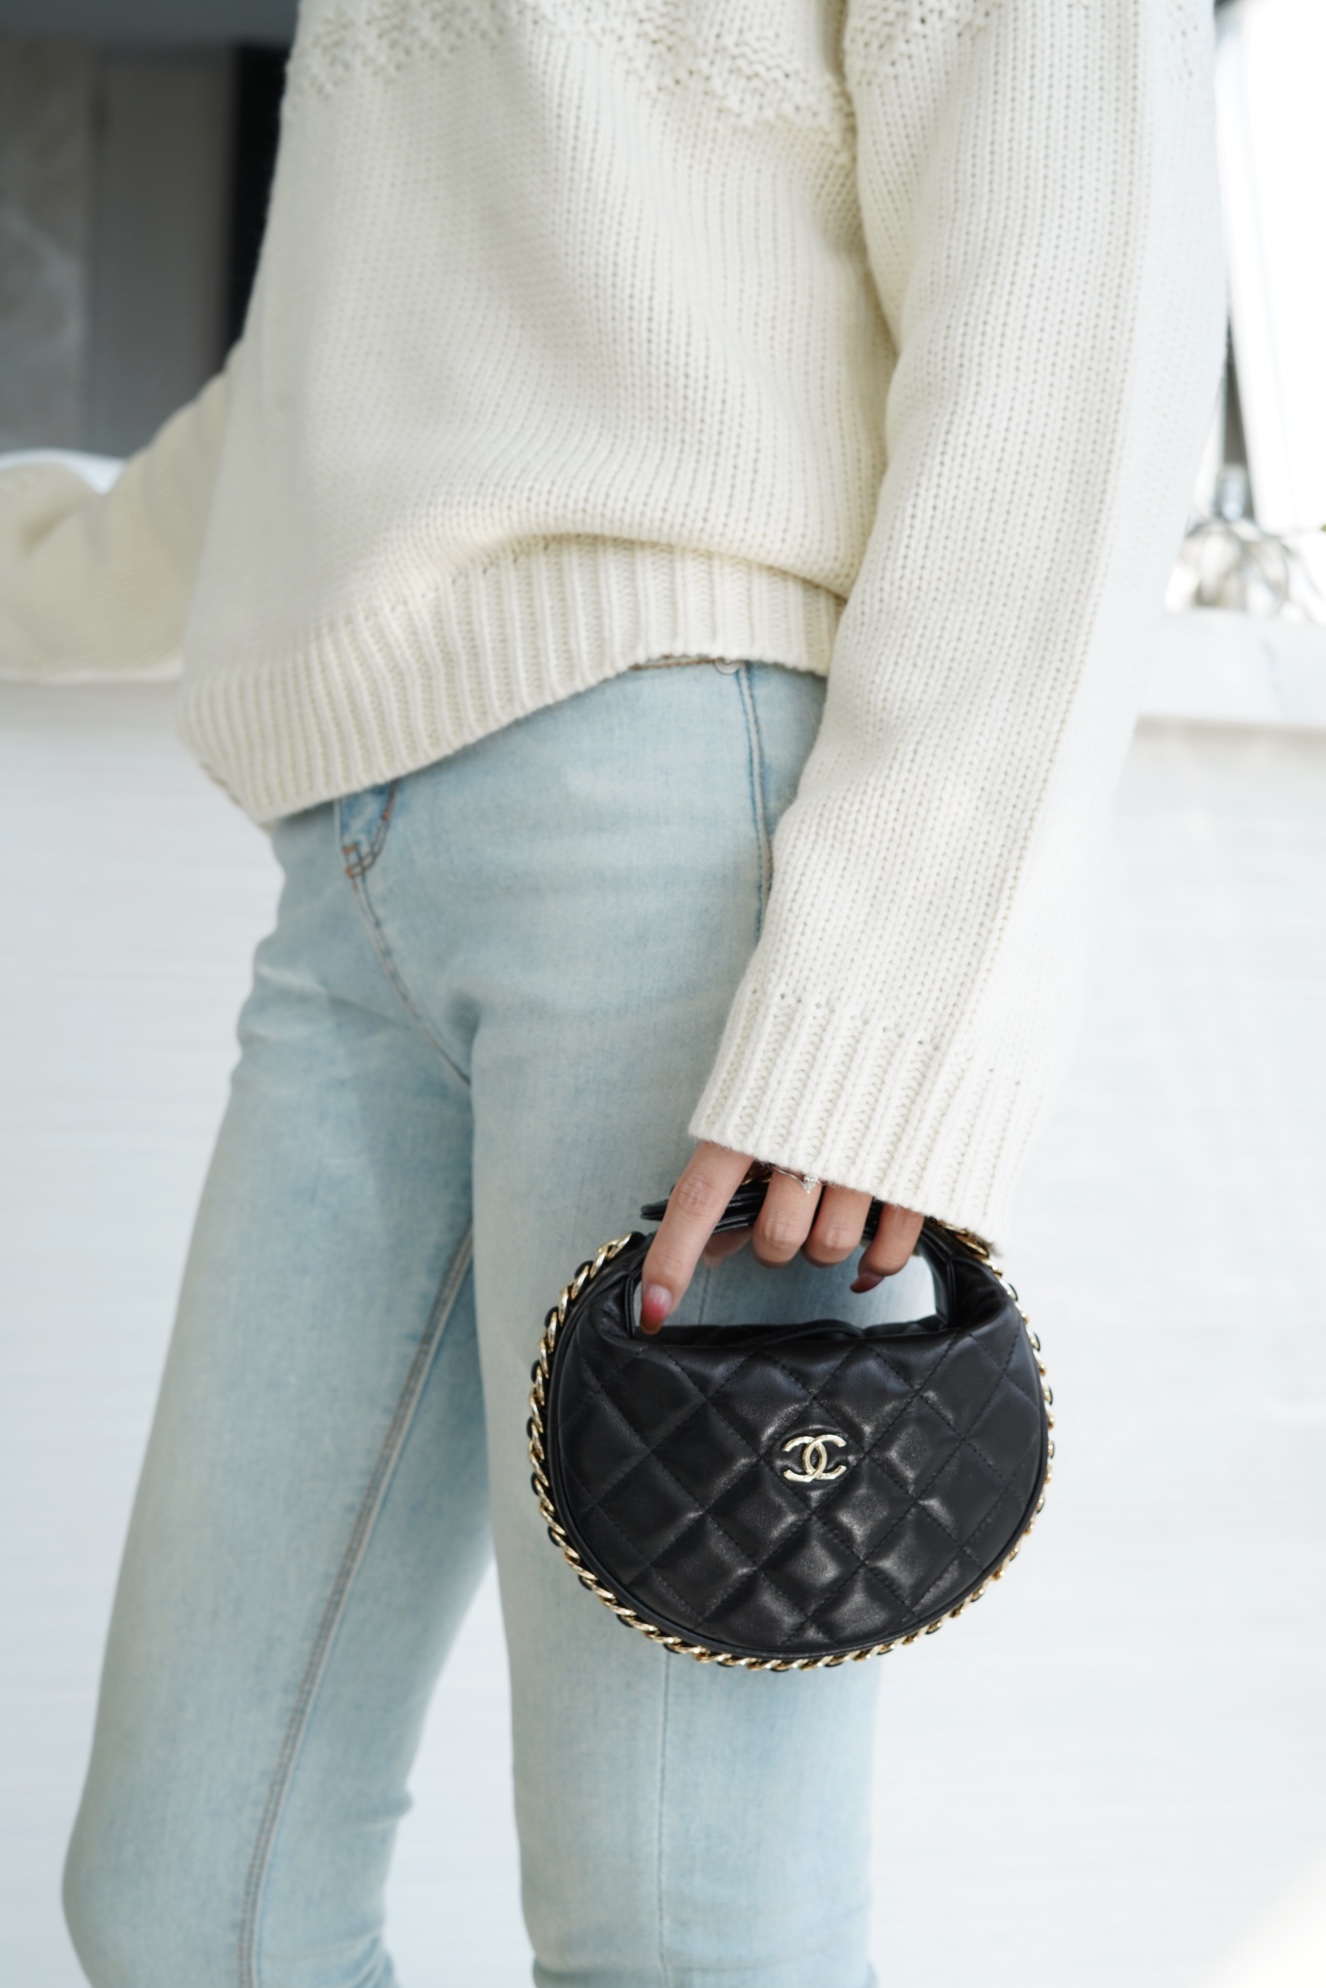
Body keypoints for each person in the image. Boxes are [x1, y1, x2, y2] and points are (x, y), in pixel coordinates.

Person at [0, 3, 1224, 1983]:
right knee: (186, 1898)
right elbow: (351, 371)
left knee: (682, 1934)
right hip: (349, 874)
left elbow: (1075, 290)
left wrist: (886, 996)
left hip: (684, 837)